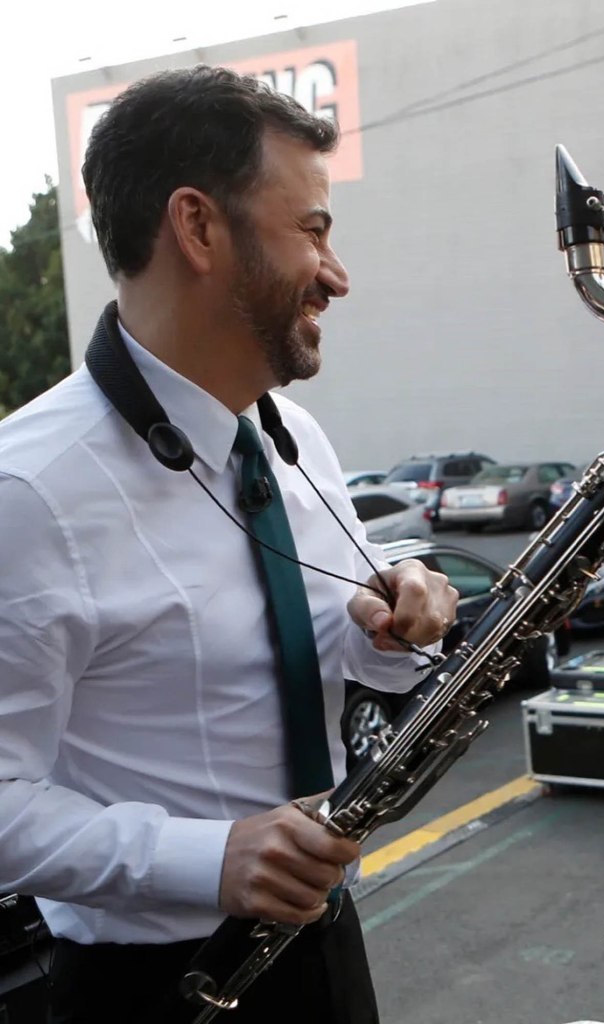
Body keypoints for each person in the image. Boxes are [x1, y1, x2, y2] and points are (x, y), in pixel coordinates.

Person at [0, 66, 458, 1023]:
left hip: (326, 946)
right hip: (151, 992)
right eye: (313, 230)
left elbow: (321, 642)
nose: (336, 273)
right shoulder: (26, 491)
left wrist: (383, 621)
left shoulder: (294, 435)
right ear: (199, 227)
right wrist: (210, 858)